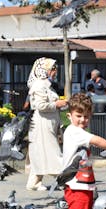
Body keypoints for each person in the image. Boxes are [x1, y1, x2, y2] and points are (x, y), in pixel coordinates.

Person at [25, 57, 68, 191]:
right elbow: (39, 105)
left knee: (40, 153)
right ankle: (63, 179)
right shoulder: (39, 84)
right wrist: (57, 104)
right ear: (45, 70)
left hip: (48, 122)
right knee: (53, 152)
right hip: (43, 123)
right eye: (53, 69)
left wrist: (60, 105)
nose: (55, 72)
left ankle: (34, 182)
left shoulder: (45, 84)